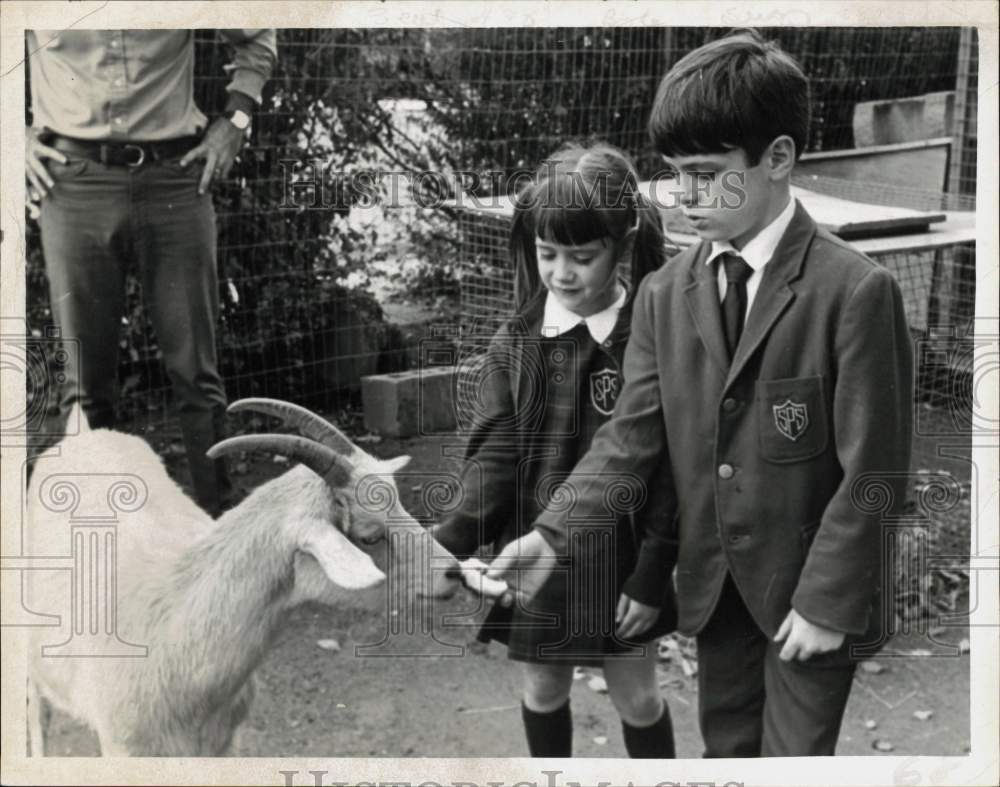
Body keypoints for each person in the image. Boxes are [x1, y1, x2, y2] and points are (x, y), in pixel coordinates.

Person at [488, 30, 914, 757]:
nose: (682, 195)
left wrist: (827, 601)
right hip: (719, 594)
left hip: (810, 596)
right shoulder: (663, 293)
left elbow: (875, 468)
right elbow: (629, 439)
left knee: (795, 760)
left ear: (777, 158)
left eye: (706, 172)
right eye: (674, 172)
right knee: (727, 753)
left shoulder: (854, 291)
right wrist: (554, 535)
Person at [434, 142, 678, 759]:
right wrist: (448, 540)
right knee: (543, 689)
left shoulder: (649, 339)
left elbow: (669, 468)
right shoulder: (515, 341)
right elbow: (493, 454)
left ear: (623, 247)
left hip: (622, 565)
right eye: (548, 253)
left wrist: (652, 575)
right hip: (532, 558)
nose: (562, 273)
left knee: (639, 698)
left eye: (582, 256)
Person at [25, 29, 277, 516]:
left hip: (175, 182)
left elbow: (257, 32)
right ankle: (98, 546)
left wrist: (237, 121)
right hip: (75, 185)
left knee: (197, 377)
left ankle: (220, 536)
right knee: (85, 389)